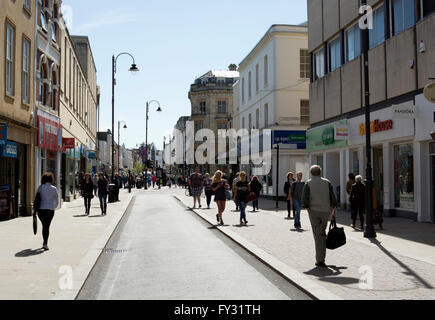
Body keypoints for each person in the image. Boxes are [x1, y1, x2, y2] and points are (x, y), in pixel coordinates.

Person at [302, 165, 337, 268]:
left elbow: (304, 199)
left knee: (318, 235)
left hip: (314, 211)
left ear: (311, 173)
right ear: (320, 172)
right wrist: (334, 210)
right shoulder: (327, 182)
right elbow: (333, 198)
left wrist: (308, 209)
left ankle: (320, 260)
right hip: (326, 211)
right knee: (321, 233)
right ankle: (321, 257)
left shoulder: (308, 183)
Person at [35, 173, 59, 251]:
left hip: (41, 209)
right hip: (50, 210)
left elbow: (36, 199)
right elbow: (57, 200)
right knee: (47, 226)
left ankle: (45, 243)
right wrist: (53, 207)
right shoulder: (54, 188)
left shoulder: (40, 187)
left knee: (44, 225)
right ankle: (45, 243)